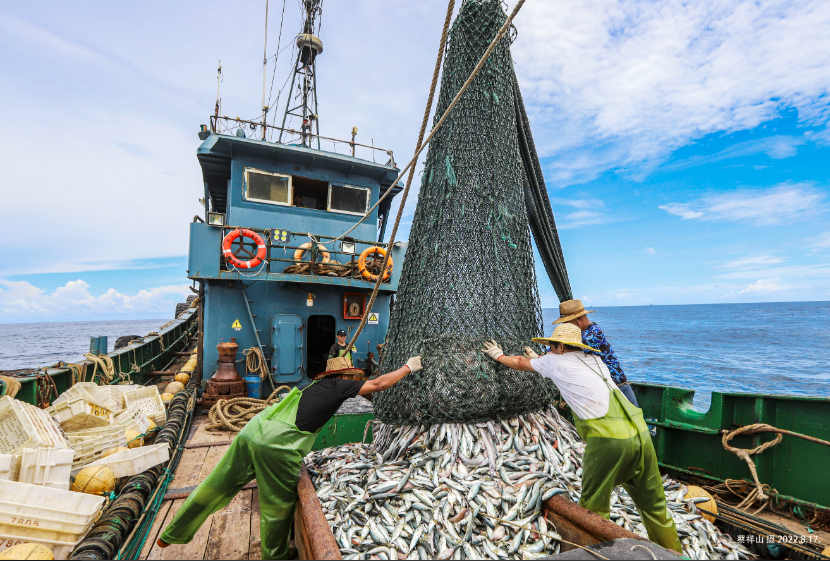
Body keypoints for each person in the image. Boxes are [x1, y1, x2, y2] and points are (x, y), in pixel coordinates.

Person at [156, 355, 423, 559]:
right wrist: (408, 368)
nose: (355, 381)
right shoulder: (338, 387)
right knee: (277, 508)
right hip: (276, 444)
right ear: (344, 376)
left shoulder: (314, 386)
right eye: (352, 377)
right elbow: (378, 384)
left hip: (253, 430)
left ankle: (171, 533)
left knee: (217, 483)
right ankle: (276, 557)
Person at [481, 325, 682, 553]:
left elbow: (518, 362)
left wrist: (498, 355)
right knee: (655, 506)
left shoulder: (555, 361)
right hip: (641, 434)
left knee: (593, 510)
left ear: (562, 346)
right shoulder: (594, 360)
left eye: (552, 347)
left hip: (609, 440)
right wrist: (540, 359)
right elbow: (568, 371)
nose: (550, 350)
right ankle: (675, 555)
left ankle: (595, 555)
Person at [552, 299, 638, 407]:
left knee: (634, 421)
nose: (565, 328)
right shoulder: (584, 333)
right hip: (604, 389)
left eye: (567, 323)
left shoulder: (591, 335)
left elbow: (565, 348)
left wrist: (545, 356)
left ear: (578, 320)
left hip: (618, 387)